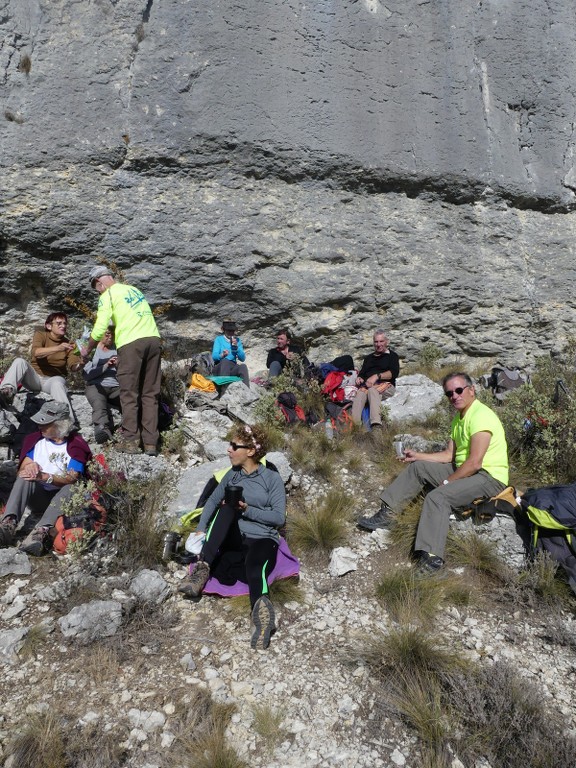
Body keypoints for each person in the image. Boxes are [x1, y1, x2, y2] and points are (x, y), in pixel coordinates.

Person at [357, 372, 509, 573]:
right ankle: (388, 515)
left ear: (472, 390)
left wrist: (448, 482)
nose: (454, 396)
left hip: (488, 477)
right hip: (467, 471)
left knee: (437, 497)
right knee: (419, 467)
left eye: (458, 390)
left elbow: (474, 462)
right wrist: (418, 455)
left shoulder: (481, 416)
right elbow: (448, 456)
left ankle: (432, 560)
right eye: (449, 393)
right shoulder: (459, 419)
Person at [179, 424, 286, 650]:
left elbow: (278, 518)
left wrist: (247, 510)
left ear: (250, 451)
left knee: (255, 567)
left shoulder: (272, 479)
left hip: (263, 537)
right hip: (236, 536)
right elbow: (211, 501)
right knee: (226, 506)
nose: (228, 450)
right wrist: (201, 527)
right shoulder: (232, 474)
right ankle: (202, 568)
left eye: (234, 446)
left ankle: (262, 616)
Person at [82, 266, 161, 456]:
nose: (98, 291)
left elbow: (100, 327)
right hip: (153, 339)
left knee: (129, 393)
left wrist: (88, 348)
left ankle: (131, 441)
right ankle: (151, 443)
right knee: (150, 393)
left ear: (99, 282)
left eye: (96, 288)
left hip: (131, 344)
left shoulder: (107, 296)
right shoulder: (133, 290)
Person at [0, 401, 92, 556]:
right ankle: (8, 524)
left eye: (45, 424)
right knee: (25, 477)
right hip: (40, 498)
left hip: (63, 501)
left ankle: (41, 531)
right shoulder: (36, 441)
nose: (39, 427)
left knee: (72, 487)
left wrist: (45, 477)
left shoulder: (75, 445)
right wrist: (30, 467)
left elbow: (72, 477)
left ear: (59, 425)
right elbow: (22, 468)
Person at [0, 312, 83, 419]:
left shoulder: (70, 344)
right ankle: (7, 392)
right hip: (34, 378)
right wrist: (58, 348)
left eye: (65, 323)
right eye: (59, 323)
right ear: (49, 326)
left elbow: (73, 367)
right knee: (19, 361)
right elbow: (36, 353)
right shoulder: (41, 335)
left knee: (58, 383)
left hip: (52, 380)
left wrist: (81, 363)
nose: (63, 326)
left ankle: (67, 420)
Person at [350, 331, 399, 429]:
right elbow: (362, 374)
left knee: (372, 391)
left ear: (386, 342)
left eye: (381, 341)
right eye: (376, 342)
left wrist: (377, 376)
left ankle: (376, 425)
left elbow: (394, 373)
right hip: (368, 386)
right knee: (360, 394)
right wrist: (359, 378)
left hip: (385, 384)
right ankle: (355, 427)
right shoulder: (368, 358)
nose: (379, 344)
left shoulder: (392, 356)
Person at [82, 326, 121, 444]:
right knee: (98, 401)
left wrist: (119, 364)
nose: (110, 337)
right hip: (96, 386)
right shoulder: (91, 350)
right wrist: (105, 366)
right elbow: (86, 375)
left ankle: (129, 427)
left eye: (113, 334)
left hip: (116, 386)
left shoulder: (119, 348)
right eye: (107, 334)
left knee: (129, 398)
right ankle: (102, 428)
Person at [211, 320, 250, 387]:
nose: (231, 333)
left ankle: (247, 391)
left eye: (232, 331)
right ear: (224, 330)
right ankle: (223, 389)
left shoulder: (237, 340)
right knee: (225, 361)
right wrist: (222, 355)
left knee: (243, 367)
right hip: (220, 366)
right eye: (229, 331)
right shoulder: (219, 339)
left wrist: (237, 348)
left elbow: (242, 358)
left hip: (232, 366)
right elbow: (214, 356)